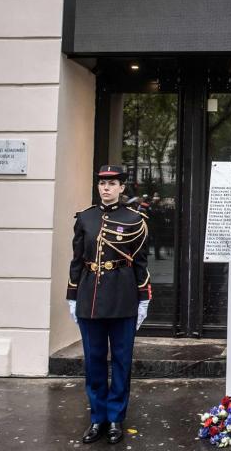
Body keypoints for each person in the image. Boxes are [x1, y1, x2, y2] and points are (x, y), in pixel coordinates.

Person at [66, 165, 152, 445]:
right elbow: (77, 259)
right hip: (89, 298)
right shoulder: (85, 218)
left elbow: (140, 263)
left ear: (122, 188)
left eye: (112, 183)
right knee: (94, 362)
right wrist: (71, 295)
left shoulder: (135, 219)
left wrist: (143, 298)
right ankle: (97, 418)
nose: (106, 188)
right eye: (102, 183)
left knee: (121, 361)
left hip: (123, 297)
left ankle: (115, 417)